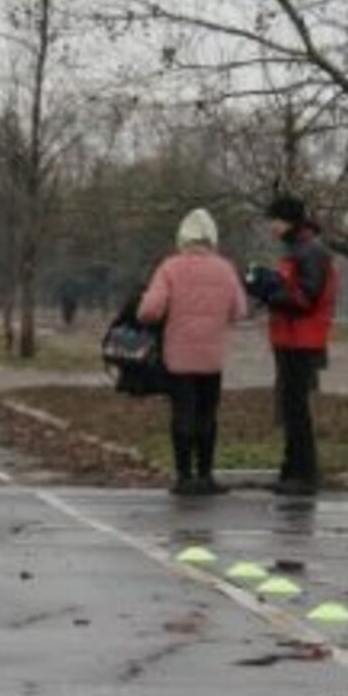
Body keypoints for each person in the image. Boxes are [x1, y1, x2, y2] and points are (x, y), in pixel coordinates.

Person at [137, 208, 247, 495]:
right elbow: (239, 311)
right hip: (212, 358)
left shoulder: (170, 267)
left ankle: (184, 476)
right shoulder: (226, 268)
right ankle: (206, 475)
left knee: (182, 414)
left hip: (179, 357)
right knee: (208, 415)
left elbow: (150, 311)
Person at [250, 194, 337, 496]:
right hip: (290, 337)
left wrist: (269, 292)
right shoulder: (297, 250)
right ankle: (293, 469)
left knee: (296, 407)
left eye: (274, 221)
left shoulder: (309, 252)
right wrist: (266, 285)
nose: (271, 227)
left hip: (302, 338)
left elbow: (305, 298)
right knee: (291, 406)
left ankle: (303, 472)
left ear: (289, 221)